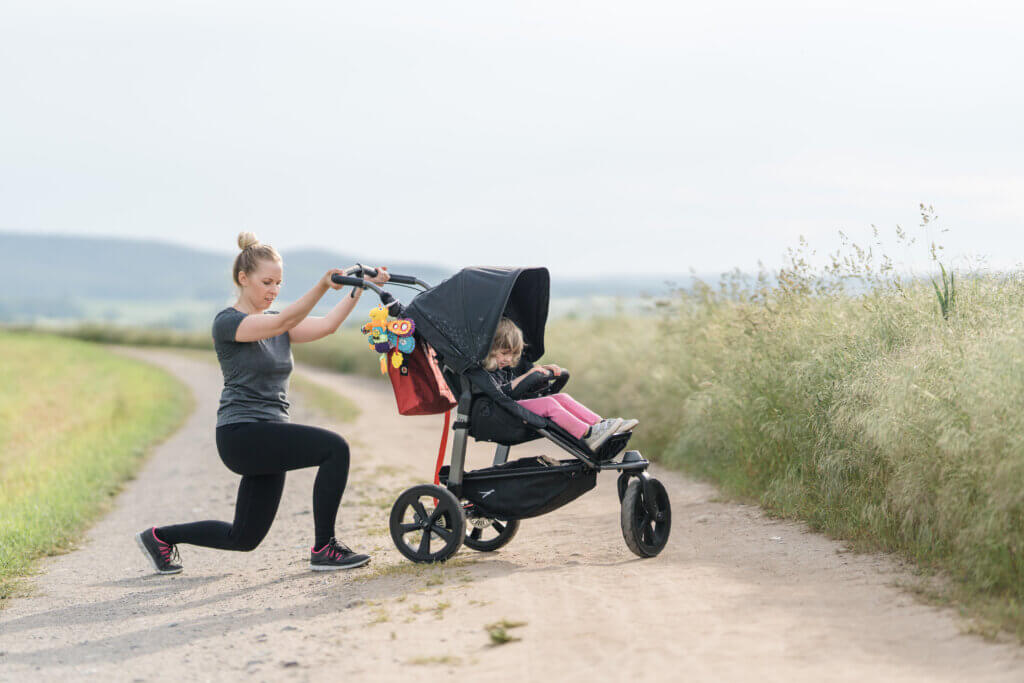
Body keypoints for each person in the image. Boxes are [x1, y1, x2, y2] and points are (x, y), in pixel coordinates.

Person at [135, 232, 389, 574]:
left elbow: (327, 326)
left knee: (244, 537)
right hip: (242, 434)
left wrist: (358, 289)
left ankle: (160, 537)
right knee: (335, 449)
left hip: (268, 434)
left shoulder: (278, 322)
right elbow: (283, 321)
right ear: (244, 279)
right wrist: (323, 286)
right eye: (267, 282)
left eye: (279, 283)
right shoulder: (228, 322)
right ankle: (325, 548)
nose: (273, 290)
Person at [484, 318, 638, 450]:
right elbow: (502, 394)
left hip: (513, 407)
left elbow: (522, 388)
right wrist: (528, 375)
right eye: (504, 353)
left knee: (562, 397)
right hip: (501, 412)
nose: (509, 360)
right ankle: (588, 434)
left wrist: (541, 373)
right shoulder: (485, 373)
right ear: (490, 349)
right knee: (549, 404)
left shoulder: (504, 369)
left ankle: (601, 425)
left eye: (512, 355)